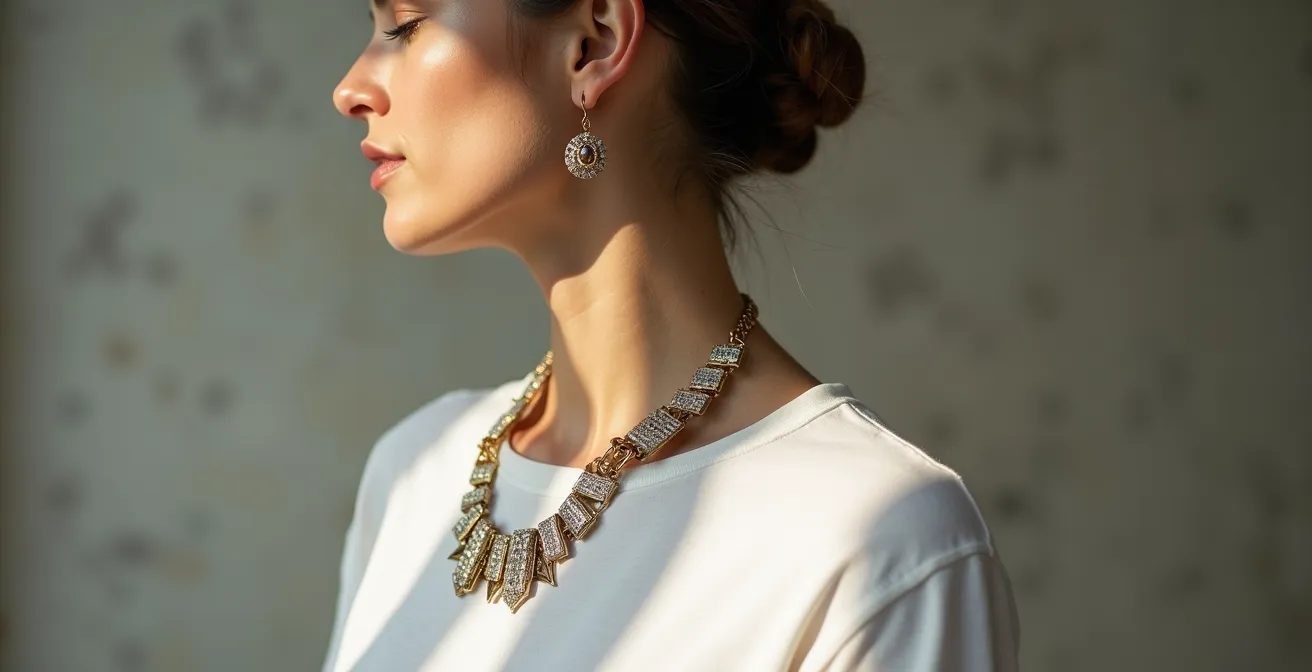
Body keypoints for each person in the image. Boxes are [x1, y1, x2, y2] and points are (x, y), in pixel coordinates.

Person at [323, 0, 1020, 670]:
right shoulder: (415, 471)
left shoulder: (873, 538)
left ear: (593, 43)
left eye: (406, 24)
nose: (350, 89)